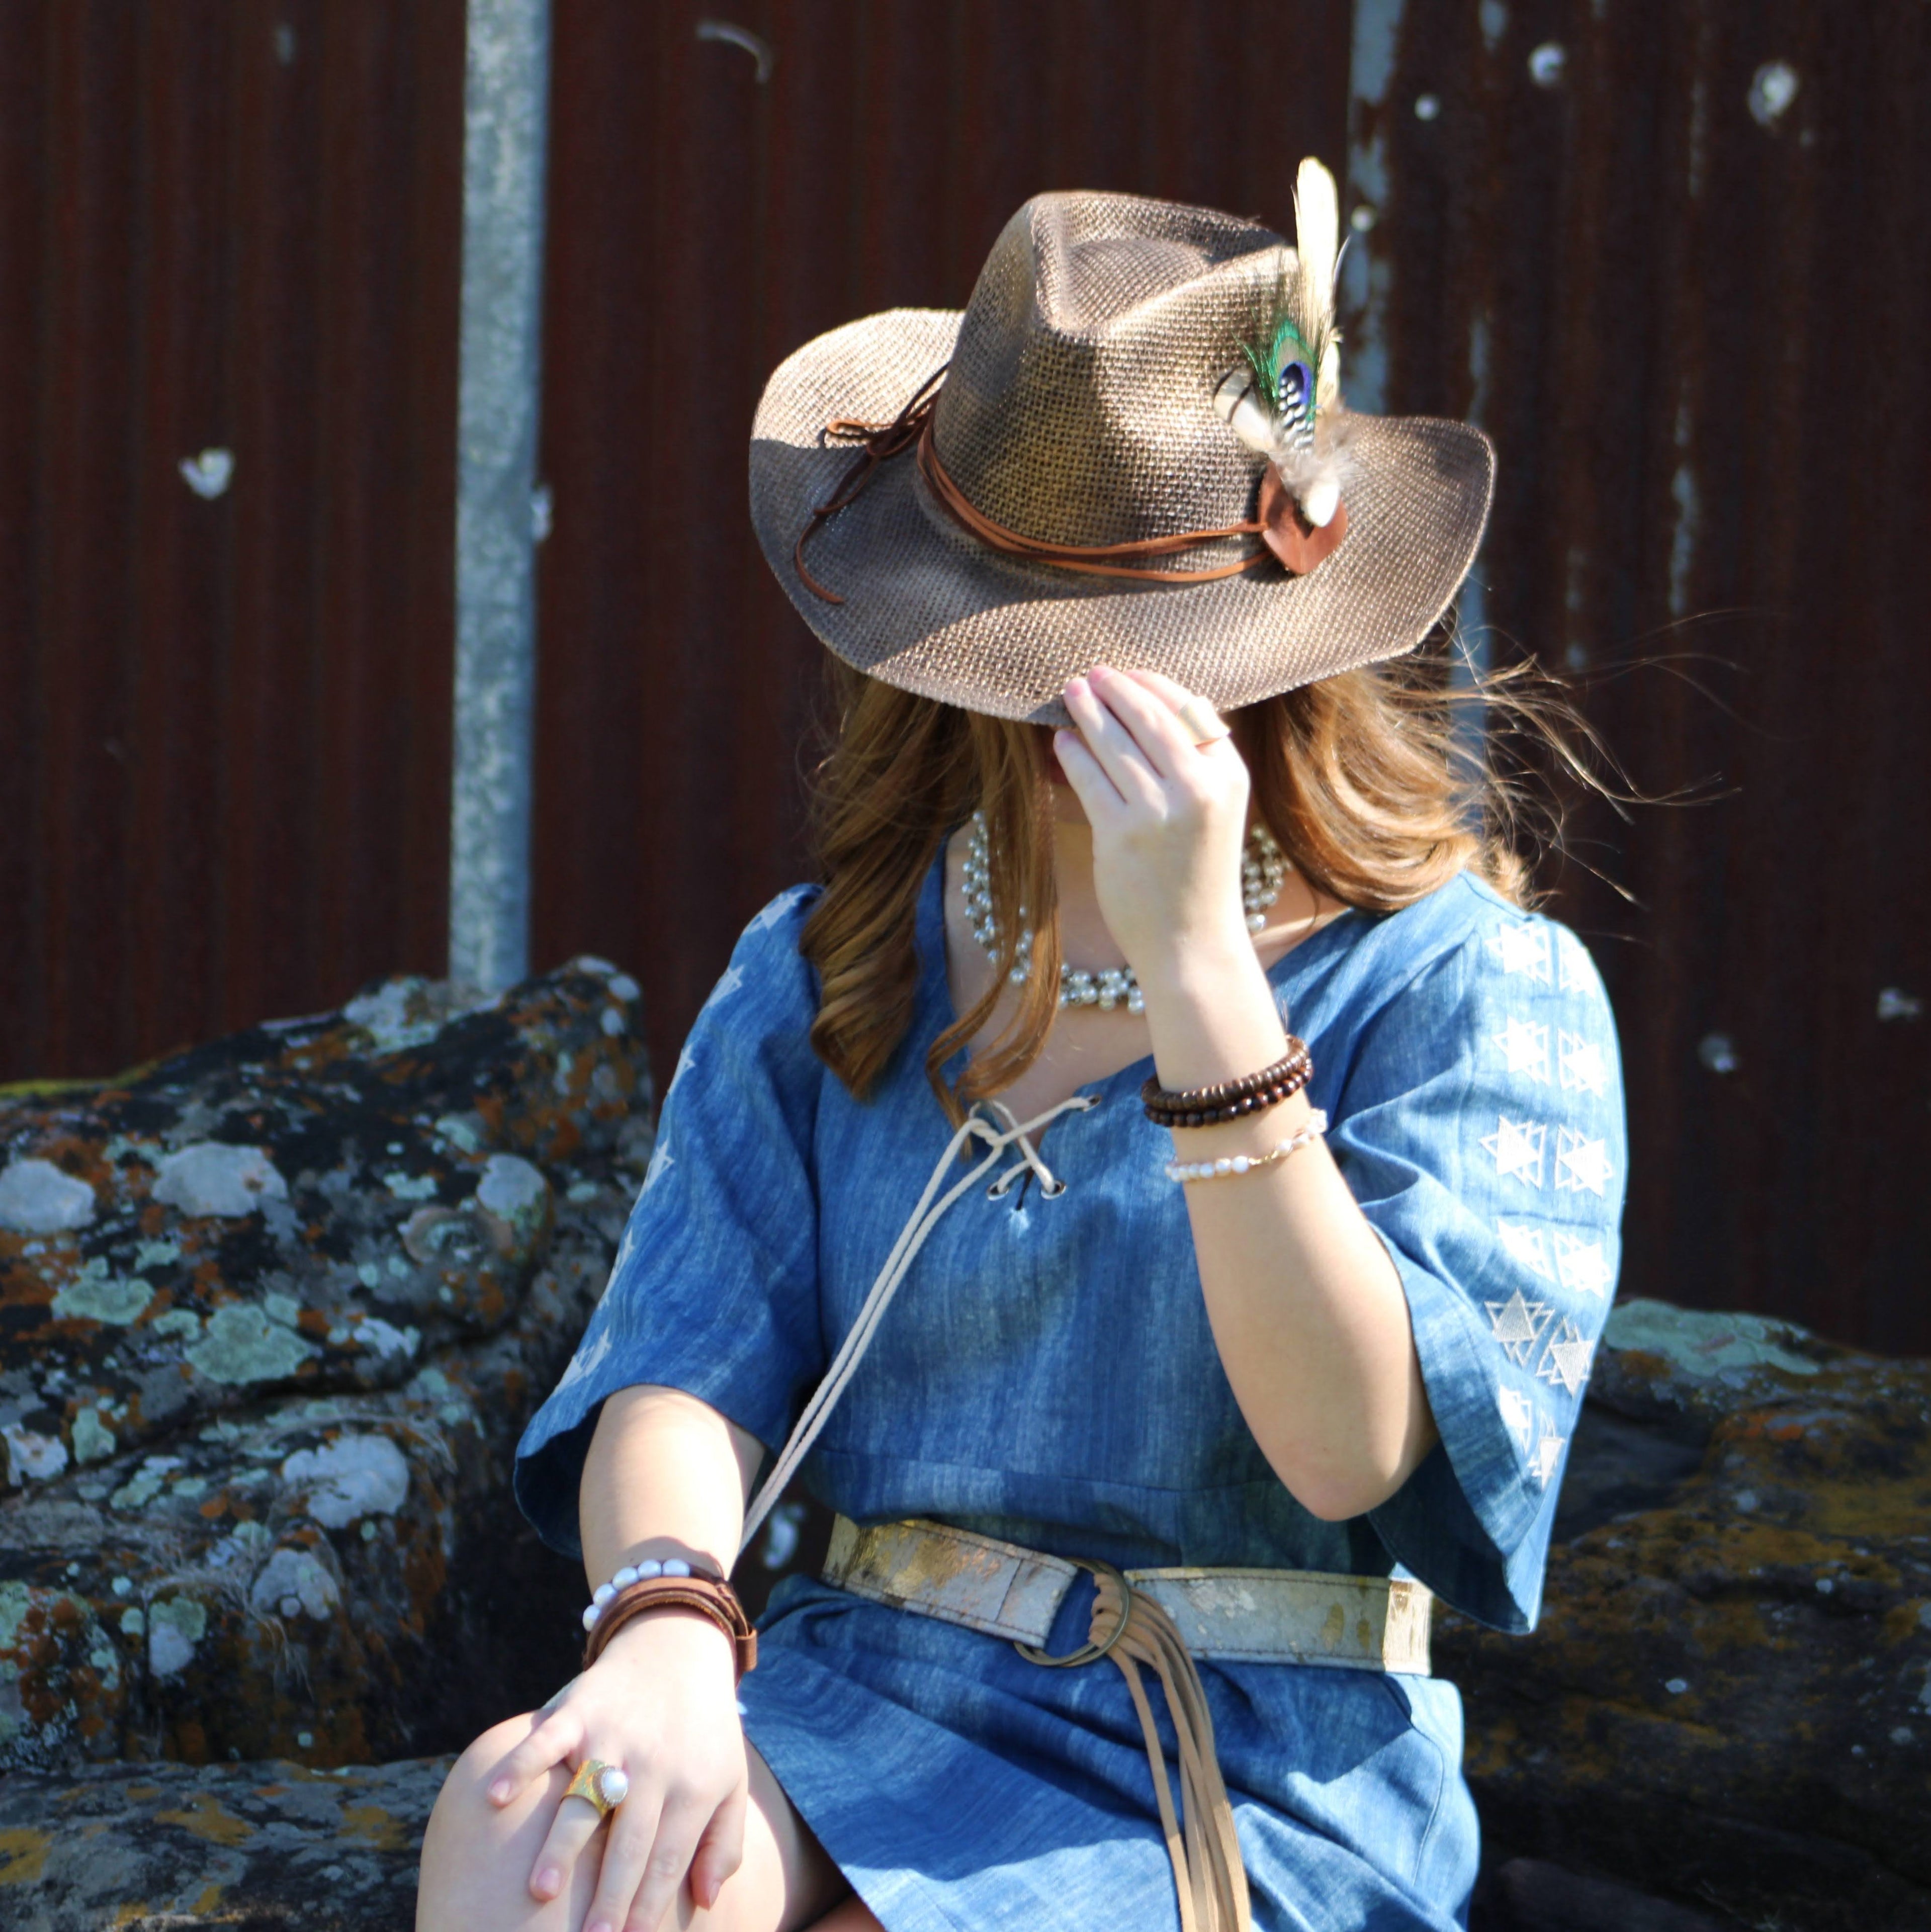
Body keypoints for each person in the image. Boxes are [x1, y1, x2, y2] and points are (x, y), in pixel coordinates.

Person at [417, 164, 1625, 1932]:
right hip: (850, 1690)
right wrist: (665, 1625)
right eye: (1035, 636)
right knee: (537, 1826)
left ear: (1284, 633)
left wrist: (1206, 976)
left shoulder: (1469, 989)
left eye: (1143, 643)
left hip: (1234, 1757)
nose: (1085, 692)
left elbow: (1350, 1448)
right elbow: (678, 1362)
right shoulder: (832, 953)